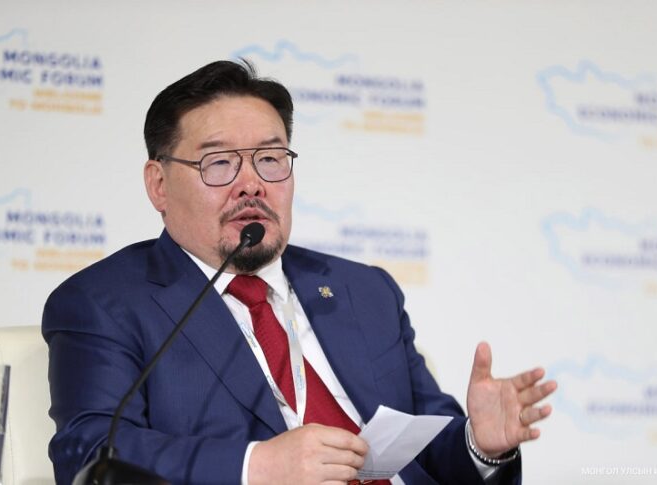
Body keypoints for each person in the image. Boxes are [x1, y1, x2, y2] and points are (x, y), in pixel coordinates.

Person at [43, 60, 557, 485]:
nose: (251, 184)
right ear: (158, 184)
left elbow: (430, 448)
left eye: (270, 159)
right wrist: (258, 467)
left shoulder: (364, 290)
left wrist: (479, 444)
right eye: (219, 163)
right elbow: (90, 453)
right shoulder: (106, 302)